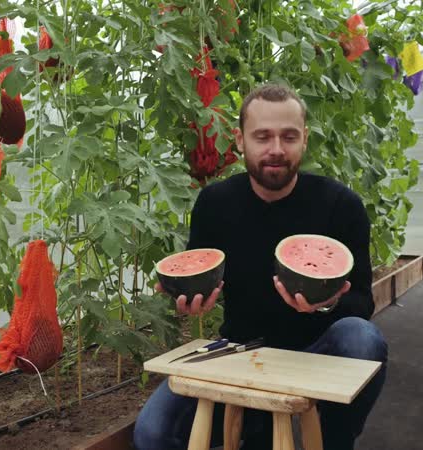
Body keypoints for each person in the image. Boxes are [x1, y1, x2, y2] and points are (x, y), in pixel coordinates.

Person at [133, 83, 388, 450]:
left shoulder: (340, 205)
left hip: (314, 353)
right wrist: (189, 299)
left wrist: (326, 304)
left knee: (362, 337)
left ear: (304, 139)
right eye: (262, 136)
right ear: (239, 140)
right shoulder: (214, 203)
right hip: (238, 351)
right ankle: (255, 426)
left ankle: (336, 440)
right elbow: (200, 276)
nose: (276, 150)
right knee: (152, 435)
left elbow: (363, 302)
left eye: (288, 137)